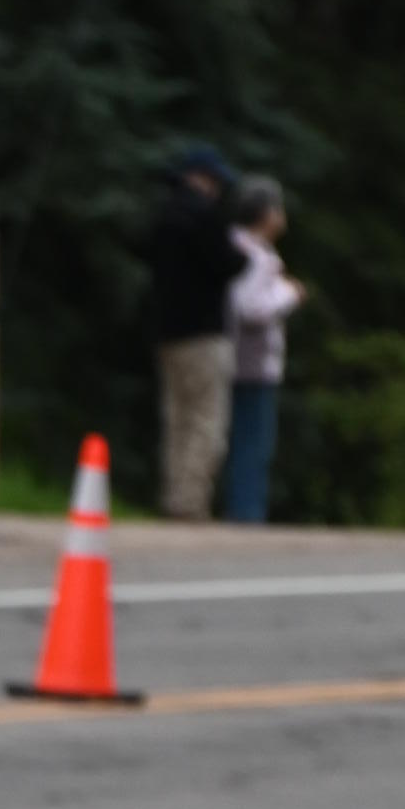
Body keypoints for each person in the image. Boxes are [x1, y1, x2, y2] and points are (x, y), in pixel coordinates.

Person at [144, 143, 243, 526]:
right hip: (204, 333)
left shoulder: (163, 216)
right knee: (206, 420)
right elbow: (227, 263)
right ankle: (191, 502)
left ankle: (172, 495)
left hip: (168, 332)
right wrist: (242, 256)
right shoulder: (205, 217)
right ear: (202, 179)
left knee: (176, 419)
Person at [220, 179, 307, 526]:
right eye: (278, 208)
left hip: (236, 357)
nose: (282, 216)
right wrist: (289, 294)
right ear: (265, 214)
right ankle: (246, 513)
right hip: (252, 362)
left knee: (245, 438)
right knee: (253, 441)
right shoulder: (255, 256)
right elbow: (251, 307)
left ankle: (244, 509)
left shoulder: (236, 246)